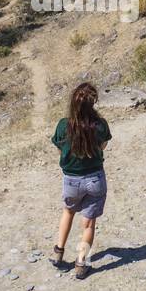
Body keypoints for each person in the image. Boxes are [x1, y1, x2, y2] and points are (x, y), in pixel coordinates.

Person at [50, 82, 111, 279]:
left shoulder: (63, 125)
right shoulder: (100, 125)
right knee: (89, 223)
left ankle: (58, 253)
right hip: (95, 179)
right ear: (93, 103)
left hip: (71, 181)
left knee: (67, 212)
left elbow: (60, 150)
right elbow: (103, 146)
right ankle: (81, 263)